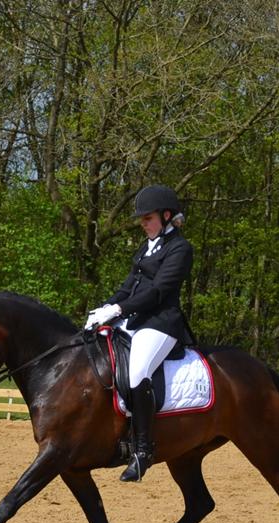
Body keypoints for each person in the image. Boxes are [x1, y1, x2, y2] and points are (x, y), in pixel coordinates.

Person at [85, 184, 195, 482]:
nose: (143, 223)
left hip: (162, 323)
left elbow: (159, 291)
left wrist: (119, 311)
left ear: (167, 215)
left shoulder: (180, 249)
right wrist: (103, 309)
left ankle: (143, 450)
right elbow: (126, 288)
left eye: (148, 218)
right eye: (142, 219)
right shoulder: (146, 248)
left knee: (137, 372)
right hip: (135, 321)